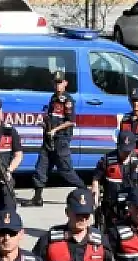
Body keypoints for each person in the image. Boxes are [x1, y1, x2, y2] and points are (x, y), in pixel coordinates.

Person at [28, 70, 85, 207]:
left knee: (65, 170)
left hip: (61, 140)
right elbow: (50, 117)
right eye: (55, 83)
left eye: (60, 82)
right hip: (48, 139)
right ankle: (37, 198)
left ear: (65, 83)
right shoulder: (53, 98)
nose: (57, 85)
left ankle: (84, 190)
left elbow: (70, 121)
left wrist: (55, 130)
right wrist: (43, 124)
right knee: (41, 167)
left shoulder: (68, 101)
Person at [91, 130, 138, 230]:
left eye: (128, 150)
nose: (126, 153)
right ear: (118, 145)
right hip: (110, 205)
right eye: (123, 150)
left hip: (130, 205)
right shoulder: (107, 160)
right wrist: (95, 197)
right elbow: (96, 179)